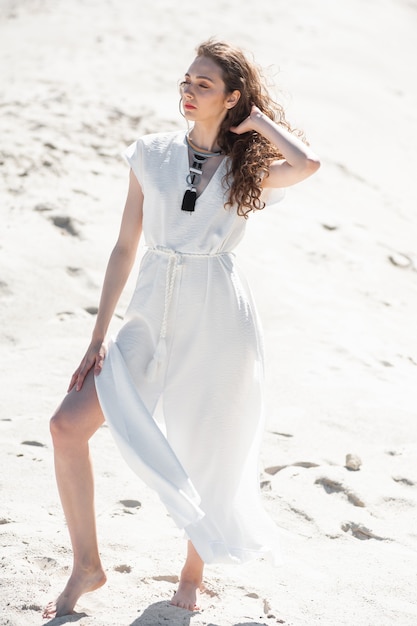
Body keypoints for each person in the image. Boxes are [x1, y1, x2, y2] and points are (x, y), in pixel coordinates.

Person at [43, 39, 320, 619]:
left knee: (209, 446)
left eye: (204, 85)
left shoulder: (249, 168)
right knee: (67, 426)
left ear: (233, 98)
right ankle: (87, 566)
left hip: (218, 316)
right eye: (186, 81)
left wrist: (258, 122)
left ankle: (192, 573)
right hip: (149, 312)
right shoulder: (150, 153)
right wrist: (98, 338)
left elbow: (306, 164)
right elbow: (124, 246)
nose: (188, 92)